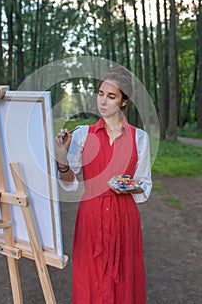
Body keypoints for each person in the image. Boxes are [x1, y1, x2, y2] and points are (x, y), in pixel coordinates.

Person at [55, 67, 152, 304]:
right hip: (91, 217)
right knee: (91, 281)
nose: (103, 101)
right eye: (100, 94)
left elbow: (144, 184)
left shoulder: (140, 138)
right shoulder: (82, 135)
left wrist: (130, 188)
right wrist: (61, 158)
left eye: (111, 96)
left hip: (124, 218)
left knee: (124, 282)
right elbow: (70, 183)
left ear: (124, 101)